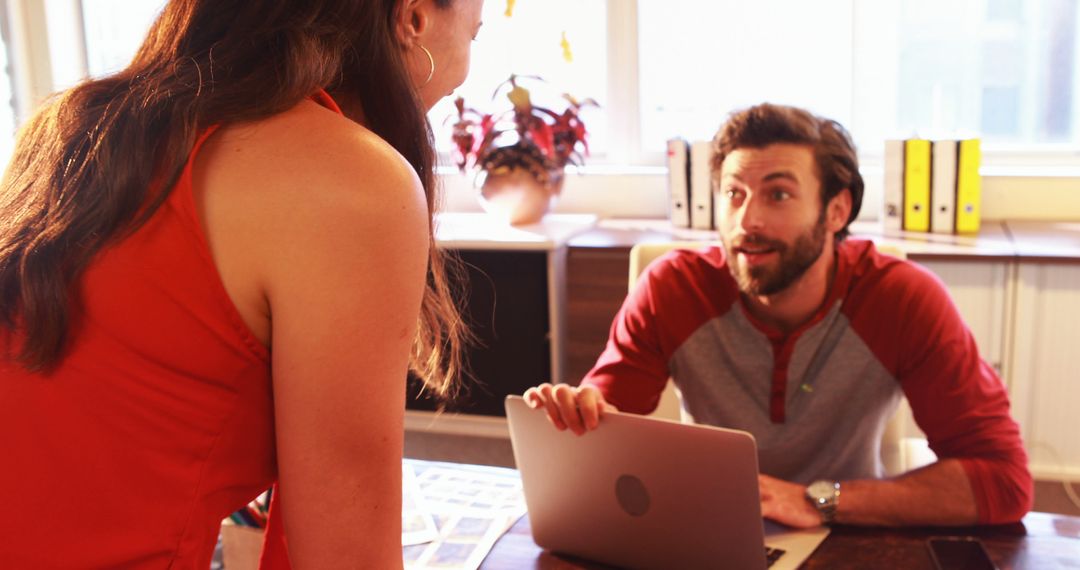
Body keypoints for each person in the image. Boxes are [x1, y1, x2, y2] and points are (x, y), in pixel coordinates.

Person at [0, 0, 483, 567]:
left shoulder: (70, 131)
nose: (469, 62)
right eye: (477, 32)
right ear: (414, 17)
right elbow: (346, 560)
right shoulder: (346, 181)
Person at [525, 103, 1032, 529]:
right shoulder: (674, 288)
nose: (748, 221)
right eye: (734, 194)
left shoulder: (902, 299)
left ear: (837, 211)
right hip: (705, 526)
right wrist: (583, 421)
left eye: (779, 194)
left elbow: (1004, 481)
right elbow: (608, 418)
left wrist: (815, 500)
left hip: (846, 529)